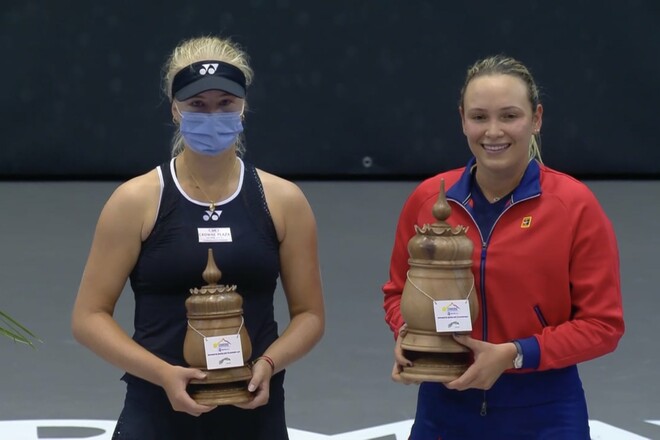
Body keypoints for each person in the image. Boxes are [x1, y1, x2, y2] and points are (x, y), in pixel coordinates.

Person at [71, 35, 325, 440]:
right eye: (198, 105)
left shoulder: (283, 201)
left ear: (243, 107)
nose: (212, 115)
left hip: (254, 409)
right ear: (175, 109)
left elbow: (310, 315)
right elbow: (88, 317)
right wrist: (163, 374)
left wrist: (269, 363)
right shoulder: (136, 201)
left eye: (225, 103)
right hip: (157, 409)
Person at [382, 55, 624, 439]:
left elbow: (603, 325)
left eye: (509, 116)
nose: (493, 132)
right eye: (479, 117)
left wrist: (514, 353)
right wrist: (409, 334)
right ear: (462, 120)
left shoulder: (575, 206)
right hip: (444, 407)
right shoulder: (428, 200)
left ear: (536, 118)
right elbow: (397, 292)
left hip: (545, 412)